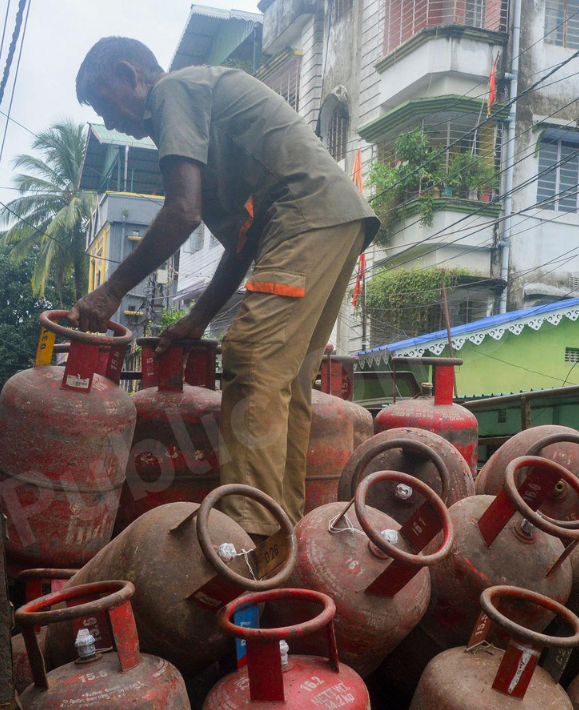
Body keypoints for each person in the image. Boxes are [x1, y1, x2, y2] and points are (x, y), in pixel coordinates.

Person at [67, 37, 378, 537]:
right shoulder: (200, 118)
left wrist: (111, 291)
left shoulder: (173, 93)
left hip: (306, 215)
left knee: (251, 358)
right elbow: (242, 244)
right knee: (285, 380)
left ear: (132, 75)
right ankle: (283, 529)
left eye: (107, 103)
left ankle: (248, 531)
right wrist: (199, 317)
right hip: (333, 217)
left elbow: (181, 212)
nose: (110, 121)